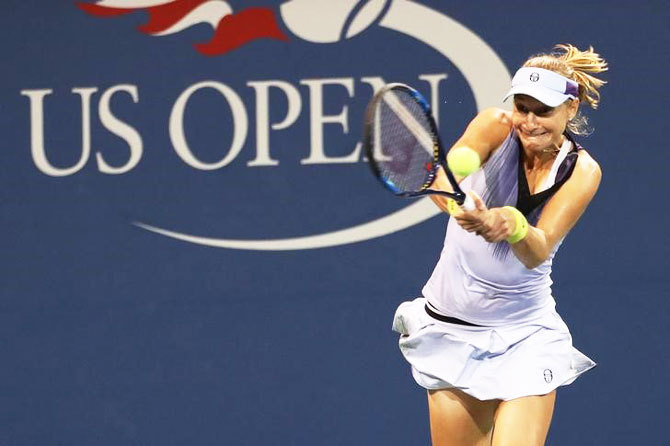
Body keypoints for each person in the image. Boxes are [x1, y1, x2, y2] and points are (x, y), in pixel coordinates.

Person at [392, 44, 608, 446]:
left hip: (526, 334)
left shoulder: (582, 172)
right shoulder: (495, 124)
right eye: (522, 107)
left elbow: (538, 249)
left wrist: (512, 225)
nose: (529, 122)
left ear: (571, 109)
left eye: (543, 111)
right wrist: (461, 206)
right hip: (449, 330)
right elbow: (450, 171)